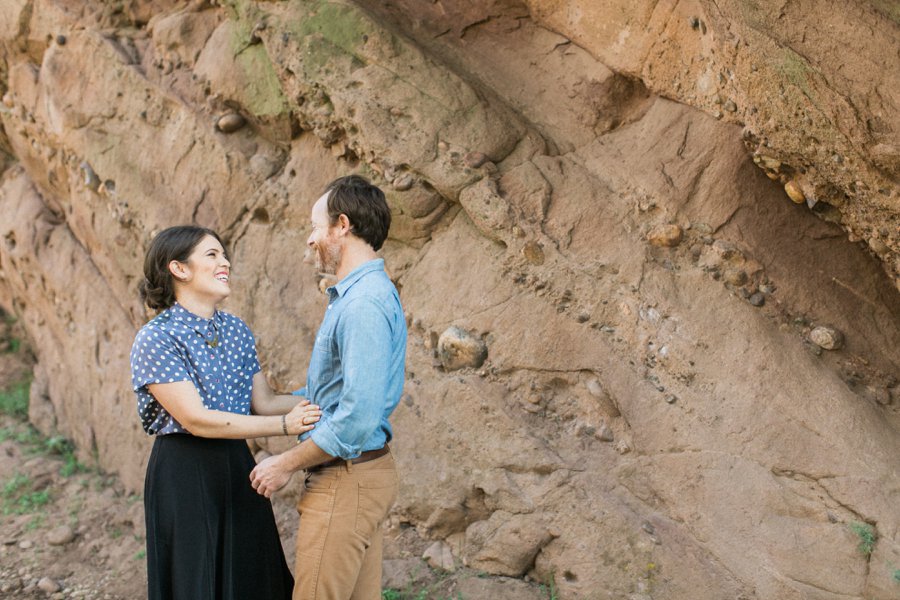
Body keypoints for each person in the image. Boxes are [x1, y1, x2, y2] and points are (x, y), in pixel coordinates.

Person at [130, 225, 322, 600]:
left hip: (238, 464)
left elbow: (263, 401)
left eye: (224, 254)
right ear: (179, 269)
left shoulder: (235, 329)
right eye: (212, 255)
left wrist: (321, 399)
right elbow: (195, 418)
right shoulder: (156, 337)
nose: (225, 263)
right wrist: (284, 425)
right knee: (196, 582)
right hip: (183, 472)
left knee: (251, 574)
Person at [249, 175, 407, 600]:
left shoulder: (362, 305)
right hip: (359, 475)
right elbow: (331, 398)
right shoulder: (361, 295)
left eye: (315, 226)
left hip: (345, 480)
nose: (310, 238)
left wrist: (285, 463)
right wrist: (257, 403)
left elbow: (355, 417)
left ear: (342, 225)